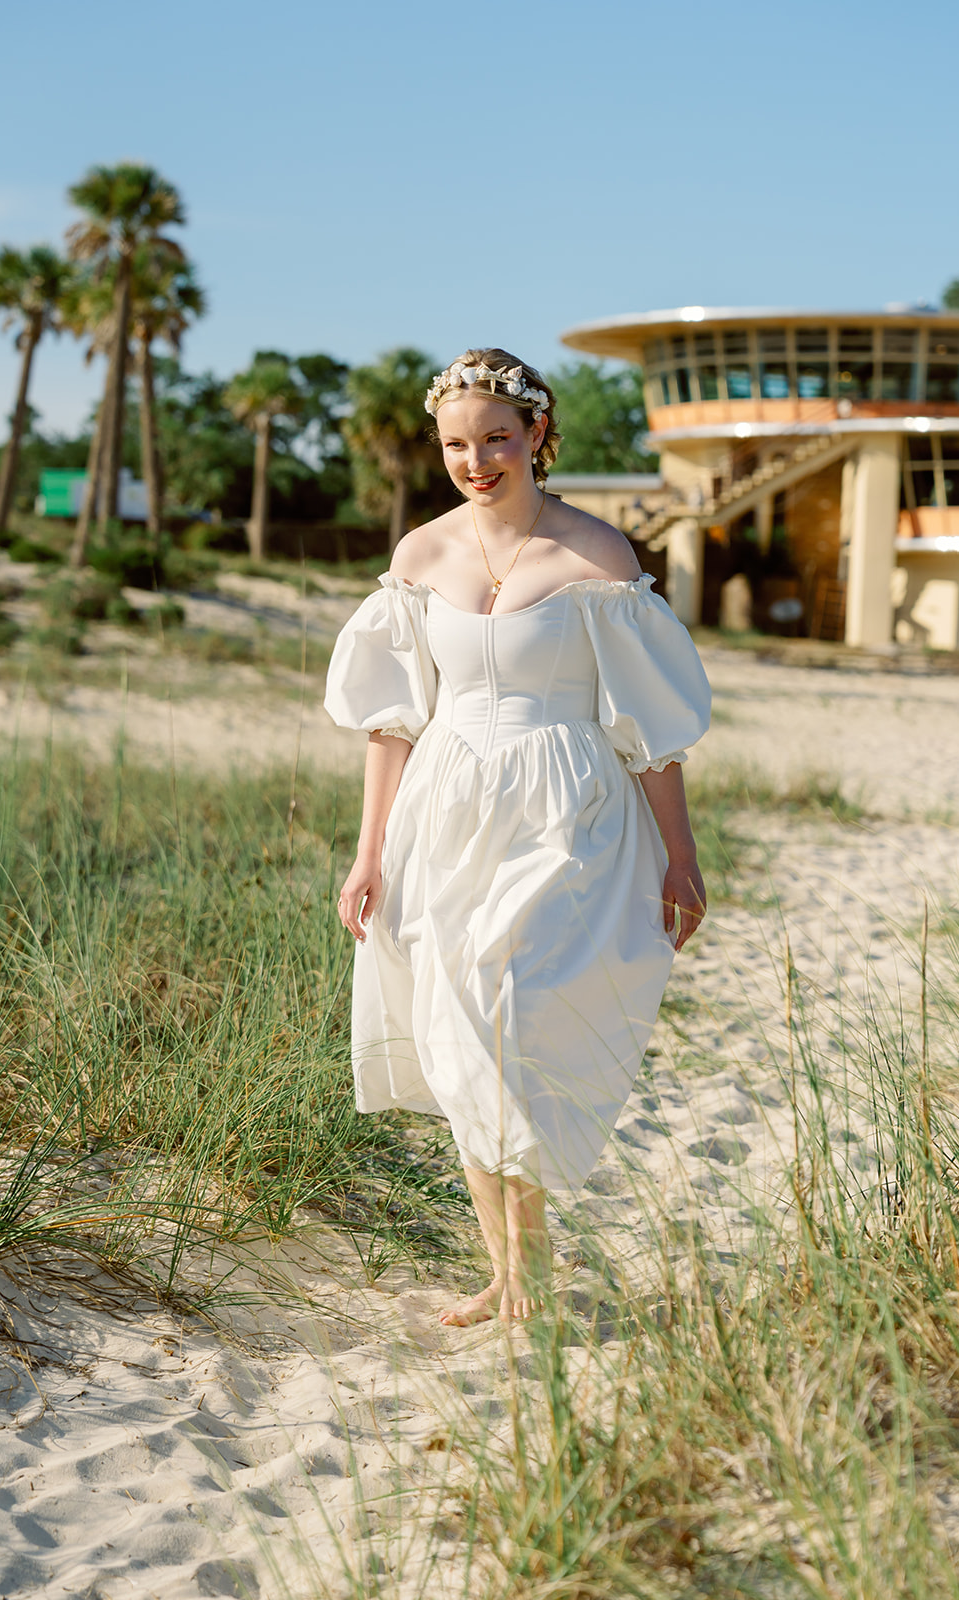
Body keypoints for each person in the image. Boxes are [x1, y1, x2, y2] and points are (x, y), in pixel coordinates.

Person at [324, 349, 710, 1326]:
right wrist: (367, 852)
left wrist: (681, 853)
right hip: (441, 814)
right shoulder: (419, 556)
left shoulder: (598, 558)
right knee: (457, 1037)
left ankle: (526, 1271)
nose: (475, 459)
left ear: (537, 433)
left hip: (562, 810)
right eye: (456, 442)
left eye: (495, 437)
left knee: (513, 1020)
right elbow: (391, 722)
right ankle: (507, 1272)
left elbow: (646, 731)